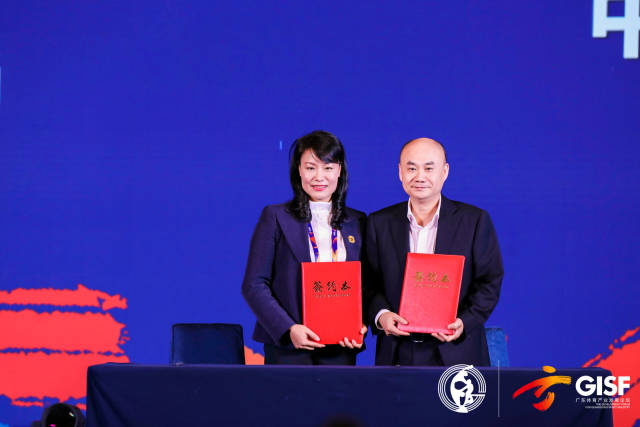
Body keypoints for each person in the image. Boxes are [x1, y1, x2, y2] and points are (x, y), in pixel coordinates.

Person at [365, 137, 503, 366]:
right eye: (411, 168)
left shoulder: (474, 221)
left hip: (457, 351)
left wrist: (464, 322)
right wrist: (382, 315)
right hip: (397, 351)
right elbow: (368, 282)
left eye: (429, 168)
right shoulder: (379, 223)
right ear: (400, 172)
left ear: (445, 171)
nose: (419, 177)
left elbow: (490, 281)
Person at [242, 130, 367, 365]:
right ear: (298, 170)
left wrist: (361, 324)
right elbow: (254, 284)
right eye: (310, 167)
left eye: (328, 168)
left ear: (339, 170)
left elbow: (366, 284)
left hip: (340, 349)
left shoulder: (358, 222)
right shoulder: (275, 217)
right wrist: (288, 328)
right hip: (289, 349)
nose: (319, 177)